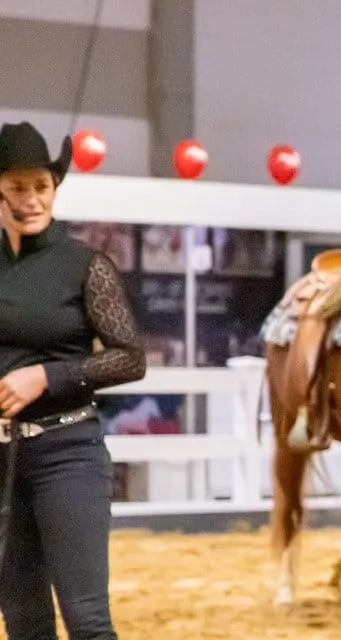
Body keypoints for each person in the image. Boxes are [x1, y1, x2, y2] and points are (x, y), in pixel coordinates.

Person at [0, 121, 146, 640]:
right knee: (23, 622)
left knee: (86, 619)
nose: (32, 199)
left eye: (42, 186)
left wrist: (47, 375)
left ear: (54, 188)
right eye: (18, 186)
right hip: (2, 459)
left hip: (67, 453)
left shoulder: (85, 265)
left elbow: (130, 358)